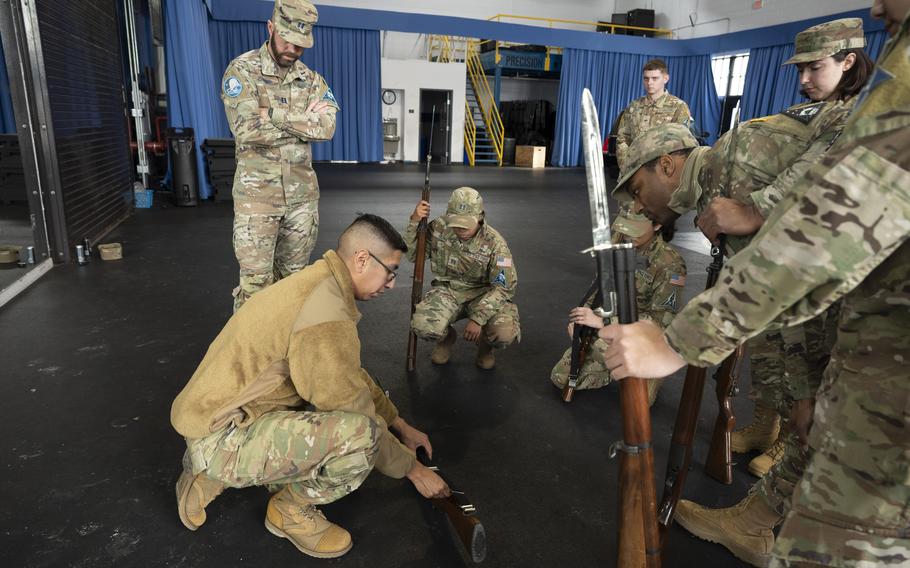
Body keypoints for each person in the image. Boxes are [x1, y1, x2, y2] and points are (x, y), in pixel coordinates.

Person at [599, 1, 910, 566]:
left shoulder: (734, 165)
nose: (636, 202)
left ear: (669, 166)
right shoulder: (745, 151)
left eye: (637, 186)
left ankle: (763, 520)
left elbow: (805, 265)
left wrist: (801, 390)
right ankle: (764, 513)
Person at [171, 214, 449, 559]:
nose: (392, 283)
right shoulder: (325, 314)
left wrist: (400, 424)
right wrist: (413, 469)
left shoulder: (318, 283)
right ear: (362, 259)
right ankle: (288, 511)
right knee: (361, 438)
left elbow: (351, 376)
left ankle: (207, 474)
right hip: (219, 434)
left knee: (347, 386)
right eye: (391, 271)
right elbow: (353, 408)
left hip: (216, 414)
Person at [222, 0, 338, 312]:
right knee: (255, 287)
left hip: (302, 202)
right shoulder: (242, 70)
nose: (292, 49)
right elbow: (245, 128)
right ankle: (249, 356)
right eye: (286, 40)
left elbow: (327, 128)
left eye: (300, 44)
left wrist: (270, 113)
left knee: (293, 283)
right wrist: (302, 119)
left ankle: (282, 351)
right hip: (257, 201)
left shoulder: (312, 79)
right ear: (271, 28)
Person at [549, 213, 685, 405]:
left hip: (643, 336)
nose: (628, 234)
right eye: (625, 226)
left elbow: (660, 321)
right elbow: (599, 287)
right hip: (610, 321)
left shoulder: (670, 265)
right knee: (561, 377)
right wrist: (580, 322)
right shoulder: (617, 242)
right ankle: (613, 368)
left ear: (657, 225)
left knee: (639, 401)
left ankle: (649, 372)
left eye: (635, 228)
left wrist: (603, 322)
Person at [406, 187, 520, 370]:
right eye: (456, 222)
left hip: (483, 295)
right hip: (448, 291)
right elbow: (413, 256)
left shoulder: (496, 244)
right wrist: (414, 221)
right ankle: (446, 338)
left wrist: (478, 319)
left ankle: (485, 346)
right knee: (422, 325)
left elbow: (503, 288)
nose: (460, 228)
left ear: (480, 216)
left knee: (504, 332)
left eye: (467, 223)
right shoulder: (439, 227)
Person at [615, 58, 693, 171]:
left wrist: (664, 172)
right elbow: (622, 139)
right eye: (646, 78)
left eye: (654, 78)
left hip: (662, 175)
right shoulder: (633, 107)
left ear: (666, 78)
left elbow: (682, 146)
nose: (649, 82)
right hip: (632, 172)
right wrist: (625, 166)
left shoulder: (679, 107)